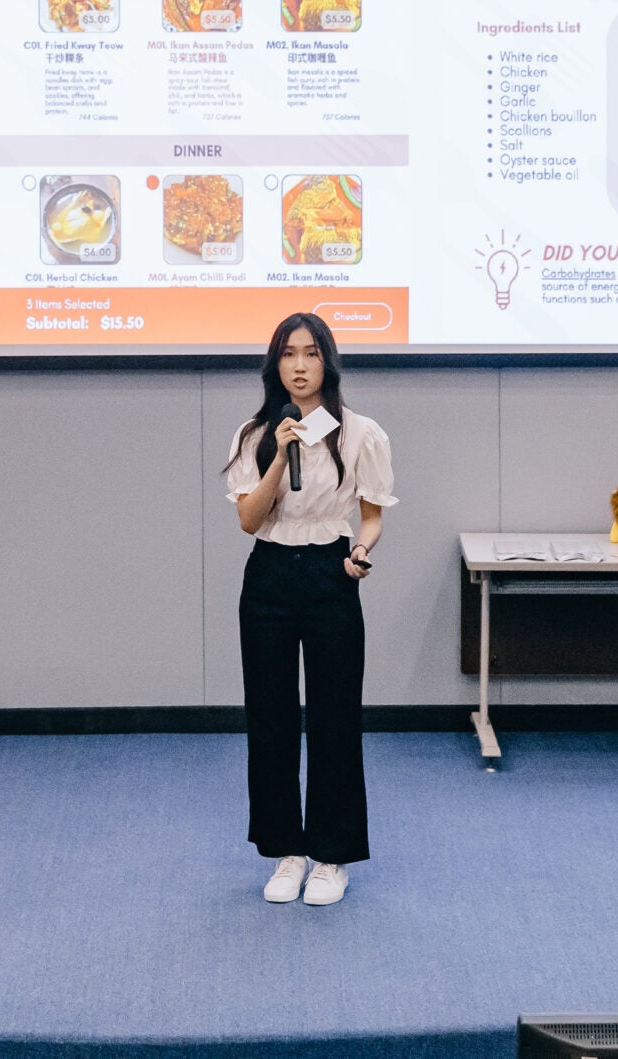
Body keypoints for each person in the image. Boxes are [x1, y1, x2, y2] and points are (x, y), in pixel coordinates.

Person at [223, 311, 395, 907]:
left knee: (334, 716)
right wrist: (279, 453)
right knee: (270, 717)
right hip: (269, 575)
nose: (299, 366)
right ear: (275, 364)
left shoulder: (361, 433)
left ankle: (331, 856)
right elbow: (249, 520)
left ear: (328, 362)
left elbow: (371, 517)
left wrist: (361, 552)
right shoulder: (254, 434)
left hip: (330, 571)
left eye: (311, 353)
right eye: (288, 354)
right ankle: (286, 851)